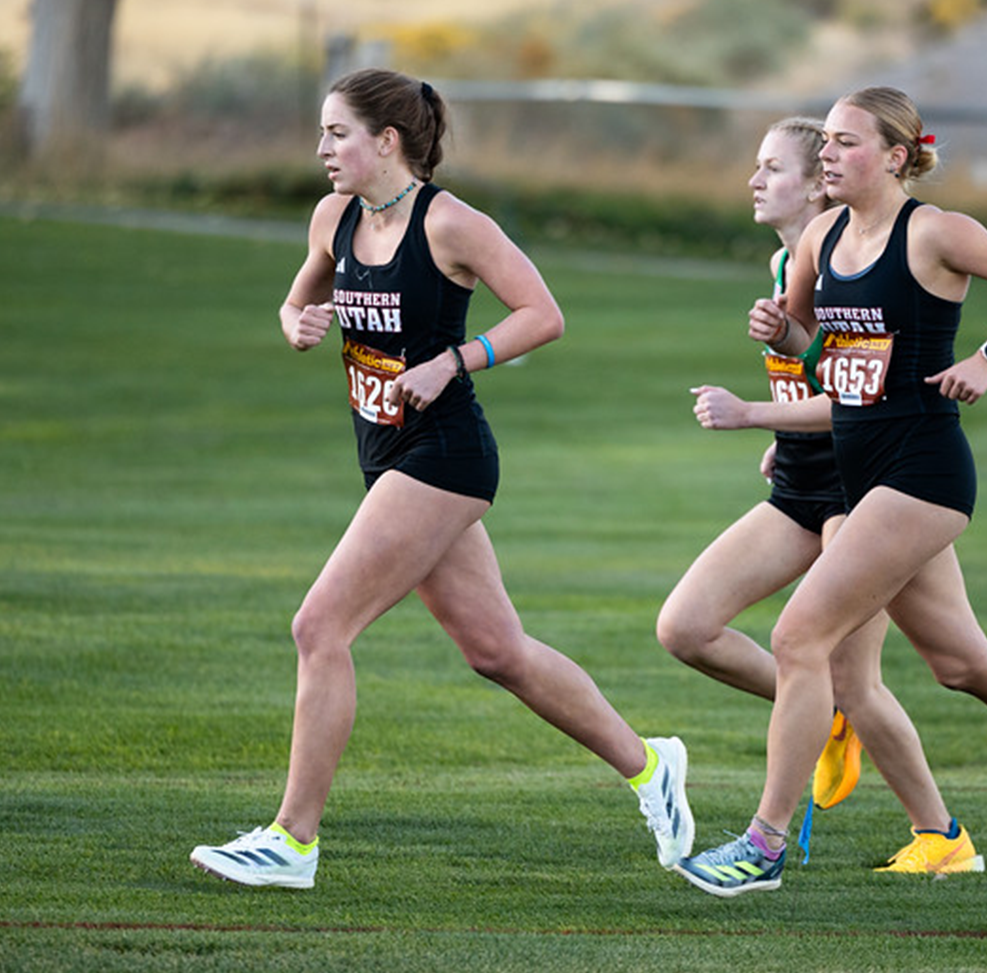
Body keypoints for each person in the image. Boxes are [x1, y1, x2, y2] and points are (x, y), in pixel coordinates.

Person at [189, 68, 693, 889]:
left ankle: (292, 841)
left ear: (386, 141)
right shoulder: (333, 219)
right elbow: (294, 306)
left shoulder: (452, 223)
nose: (322, 149)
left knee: (319, 628)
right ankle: (651, 765)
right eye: (321, 133)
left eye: (336, 133)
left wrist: (454, 360)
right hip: (383, 454)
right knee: (498, 652)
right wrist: (299, 324)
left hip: (445, 454)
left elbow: (544, 315)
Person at [673, 87, 987, 898]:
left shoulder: (935, 232)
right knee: (961, 663)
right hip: (848, 478)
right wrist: (781, 353)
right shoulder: (820, 237)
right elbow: (827, 361)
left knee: (797, 640)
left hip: (921, 476)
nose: (829, 155)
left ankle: (763, 846)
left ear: (895, 156)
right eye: (826, 143)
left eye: (846, 143)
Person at [660, 116, 984, 877]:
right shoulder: (789, 269)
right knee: (686, 627)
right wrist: (788, 433)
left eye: (772, 168)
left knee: (892, 675)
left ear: (817, 185)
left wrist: (755, 414)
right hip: (805, 480)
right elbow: (823, 381)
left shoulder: (861, 262)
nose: (754, 179)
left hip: (864, 489)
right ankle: (835, 729)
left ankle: (940, 838)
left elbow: (862, 397)